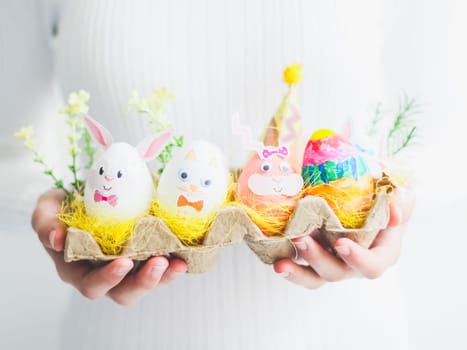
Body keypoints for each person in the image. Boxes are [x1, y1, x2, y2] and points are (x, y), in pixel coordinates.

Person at [13, 0, 415, 349]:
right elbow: (8, 153)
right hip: (123, 336)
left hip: (343, 334)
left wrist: (397, 206)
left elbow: (447, 143)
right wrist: (45, 206)